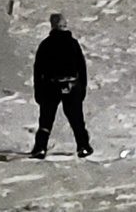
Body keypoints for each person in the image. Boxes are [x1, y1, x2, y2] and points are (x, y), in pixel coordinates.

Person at [31, 13, 93, 159]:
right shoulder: (73, 43)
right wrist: (82, 87)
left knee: (46, 119)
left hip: (50, 86)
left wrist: (38, 90)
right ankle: (83, 146)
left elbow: (38, 69)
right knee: (76, 118)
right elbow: (81, 68)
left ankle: (40, 148)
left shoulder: (46, 44)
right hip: (72, 85)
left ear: (52, 26)